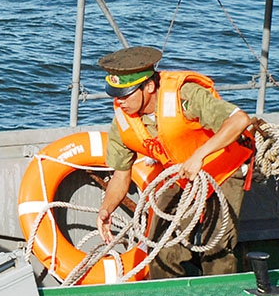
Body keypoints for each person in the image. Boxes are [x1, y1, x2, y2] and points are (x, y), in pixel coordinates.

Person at [94, 46, 255, 278]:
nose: (120, 102)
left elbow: (239, 120)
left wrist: (200, 155)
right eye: (115, 96)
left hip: (223, 170)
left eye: (126, 94)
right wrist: (106, 209)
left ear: (148, 86)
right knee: (159, 245)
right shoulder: (122, 121)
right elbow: (121, 175)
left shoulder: (185, 96)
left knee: (216, 247)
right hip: (182, 177)